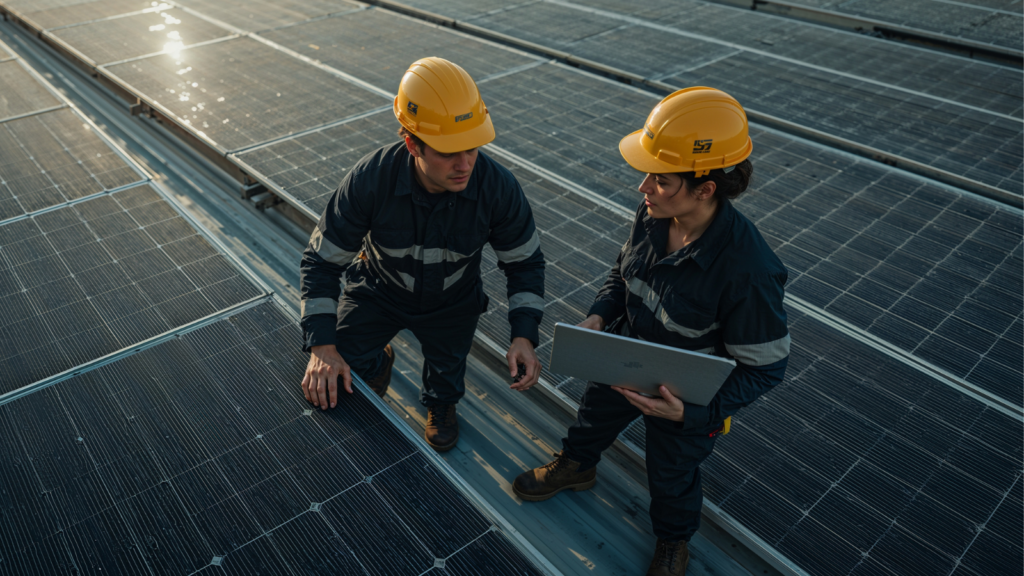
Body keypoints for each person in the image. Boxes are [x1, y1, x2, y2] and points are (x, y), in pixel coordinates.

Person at [512, 87, 790, 575]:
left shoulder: (748, 271)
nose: (644, 188)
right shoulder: (654, 214)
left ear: (705, 189)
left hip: (681, 396)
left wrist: (695, 411)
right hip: (624, 356)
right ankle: (577, 466)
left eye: (660, 180)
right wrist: (600, 315)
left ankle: (672, 541)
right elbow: (622, 275)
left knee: (672, 474)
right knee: (592, 418)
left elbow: (766, 369)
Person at [299, 57, 545, 452]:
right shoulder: (370, 180)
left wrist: (524, 335)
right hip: (379, 292)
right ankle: (378, 362)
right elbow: (322, 262)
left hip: (453, 301)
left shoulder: (497, 187)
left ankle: (442, 404)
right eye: (448, 152)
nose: (464, 165)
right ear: (412, 143)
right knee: (339, 374)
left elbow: (525, 263)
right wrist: (322, 347)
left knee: (447, 374)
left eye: (472, 148)